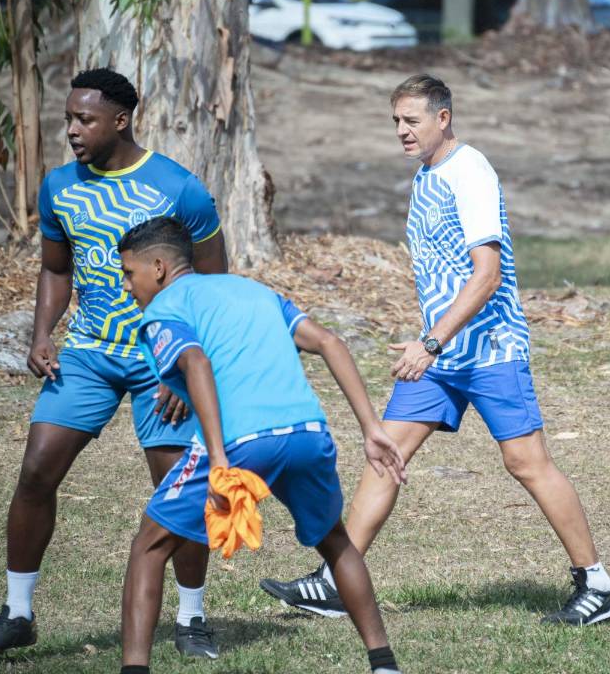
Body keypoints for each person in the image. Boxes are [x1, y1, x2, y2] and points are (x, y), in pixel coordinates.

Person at [260, 74, 610, 626]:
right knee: (386, 453)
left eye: (412, 121)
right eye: (396, 122)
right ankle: (336, 581)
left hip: (489, 348)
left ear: (443, 118)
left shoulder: (468, 171)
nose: (402, 132)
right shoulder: (427, 175)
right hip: (442, 355)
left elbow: (487, 274)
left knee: (526, 462)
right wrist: (431, 342)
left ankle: (598, 586)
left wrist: (432, 340)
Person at [0, 68, 228, 659]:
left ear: (120, 119)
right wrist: (41, 334)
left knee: (176, 491)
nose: (73, 131)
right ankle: (17, 611)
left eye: (84, 120)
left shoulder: (178, 188)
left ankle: (191, 617)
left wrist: (188, 368)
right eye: (68, 120)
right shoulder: (60, 186)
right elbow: (57, 270)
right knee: (36, 472)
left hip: (160, 359)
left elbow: (214, 285)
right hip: (86, 354)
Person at [116, 217, 407, 674]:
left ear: (157, 267)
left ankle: (133, 669)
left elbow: (196, 363)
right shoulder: (253, 291)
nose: (128, 288)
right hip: (308, 433)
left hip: (242, 442)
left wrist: (218, 461)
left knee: (149, 547)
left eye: (129, 274)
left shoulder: (165, 308)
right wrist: (371, 426)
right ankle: (384, 664)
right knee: (336, 541)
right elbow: (329, 341)